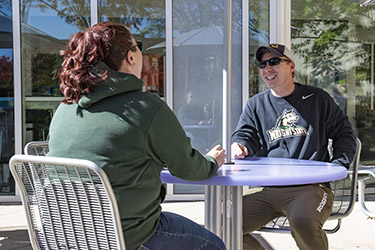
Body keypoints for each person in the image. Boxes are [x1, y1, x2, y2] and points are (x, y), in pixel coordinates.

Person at [47, 22, 227, 250]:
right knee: (214, 245)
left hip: (63, 236)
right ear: (131, 57)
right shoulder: (146, 108)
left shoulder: (66, 108)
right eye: (138, 46)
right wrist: (212, 161)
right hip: (124, 236)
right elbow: (188, 168)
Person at [231, 43, 356, 250]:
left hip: (311, 188)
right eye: (262, 64)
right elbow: (245, 135)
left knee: (303, 222)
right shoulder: (256, 104)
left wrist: (339, 165)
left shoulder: (317, 99)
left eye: (274, 62)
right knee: (222, 223)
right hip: (267, 188)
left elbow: (344, 132)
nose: (267, 69)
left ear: (291, 67)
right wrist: (240, 144)